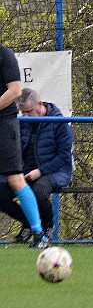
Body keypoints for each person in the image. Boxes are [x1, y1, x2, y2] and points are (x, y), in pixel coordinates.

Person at [0, 88, 74, 243]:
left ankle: (48, 227)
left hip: (53, 171)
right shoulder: (23, 123)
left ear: (40, 105)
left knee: (38, 192)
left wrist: (40, 171)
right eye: (23, 113)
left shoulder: (59, 123)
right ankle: (27, 222)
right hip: (25, 171)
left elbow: (64, 156)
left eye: (29, 111)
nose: (26, 117)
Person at [0, 46, 47, 249]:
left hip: (4, 124)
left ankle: (39, 233)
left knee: (15, 179)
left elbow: (15, 91)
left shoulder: (5, 55)